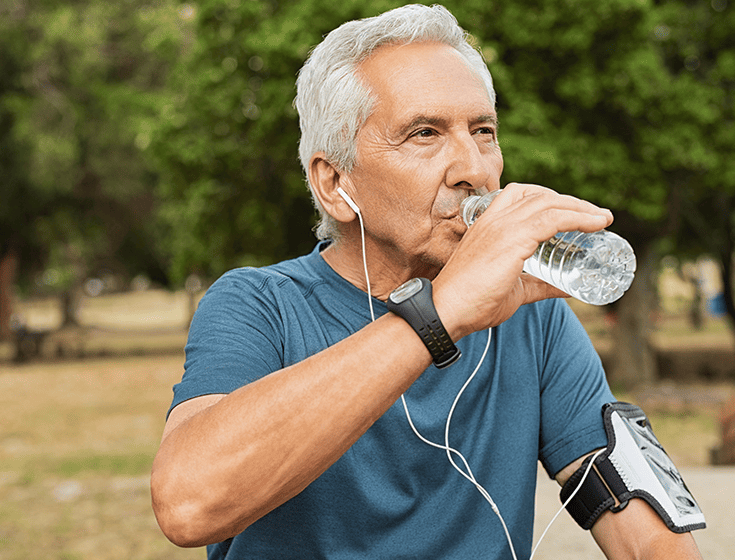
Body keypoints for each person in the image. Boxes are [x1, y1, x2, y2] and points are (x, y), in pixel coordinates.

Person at [151, 4, 704, 559]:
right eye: (424, 133)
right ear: (335, 182)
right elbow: (188, 505)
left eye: (483, 131)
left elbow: (646, 536)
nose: (474, 168)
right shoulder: (259, 305)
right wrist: (438, 315)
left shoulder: (533, 317)